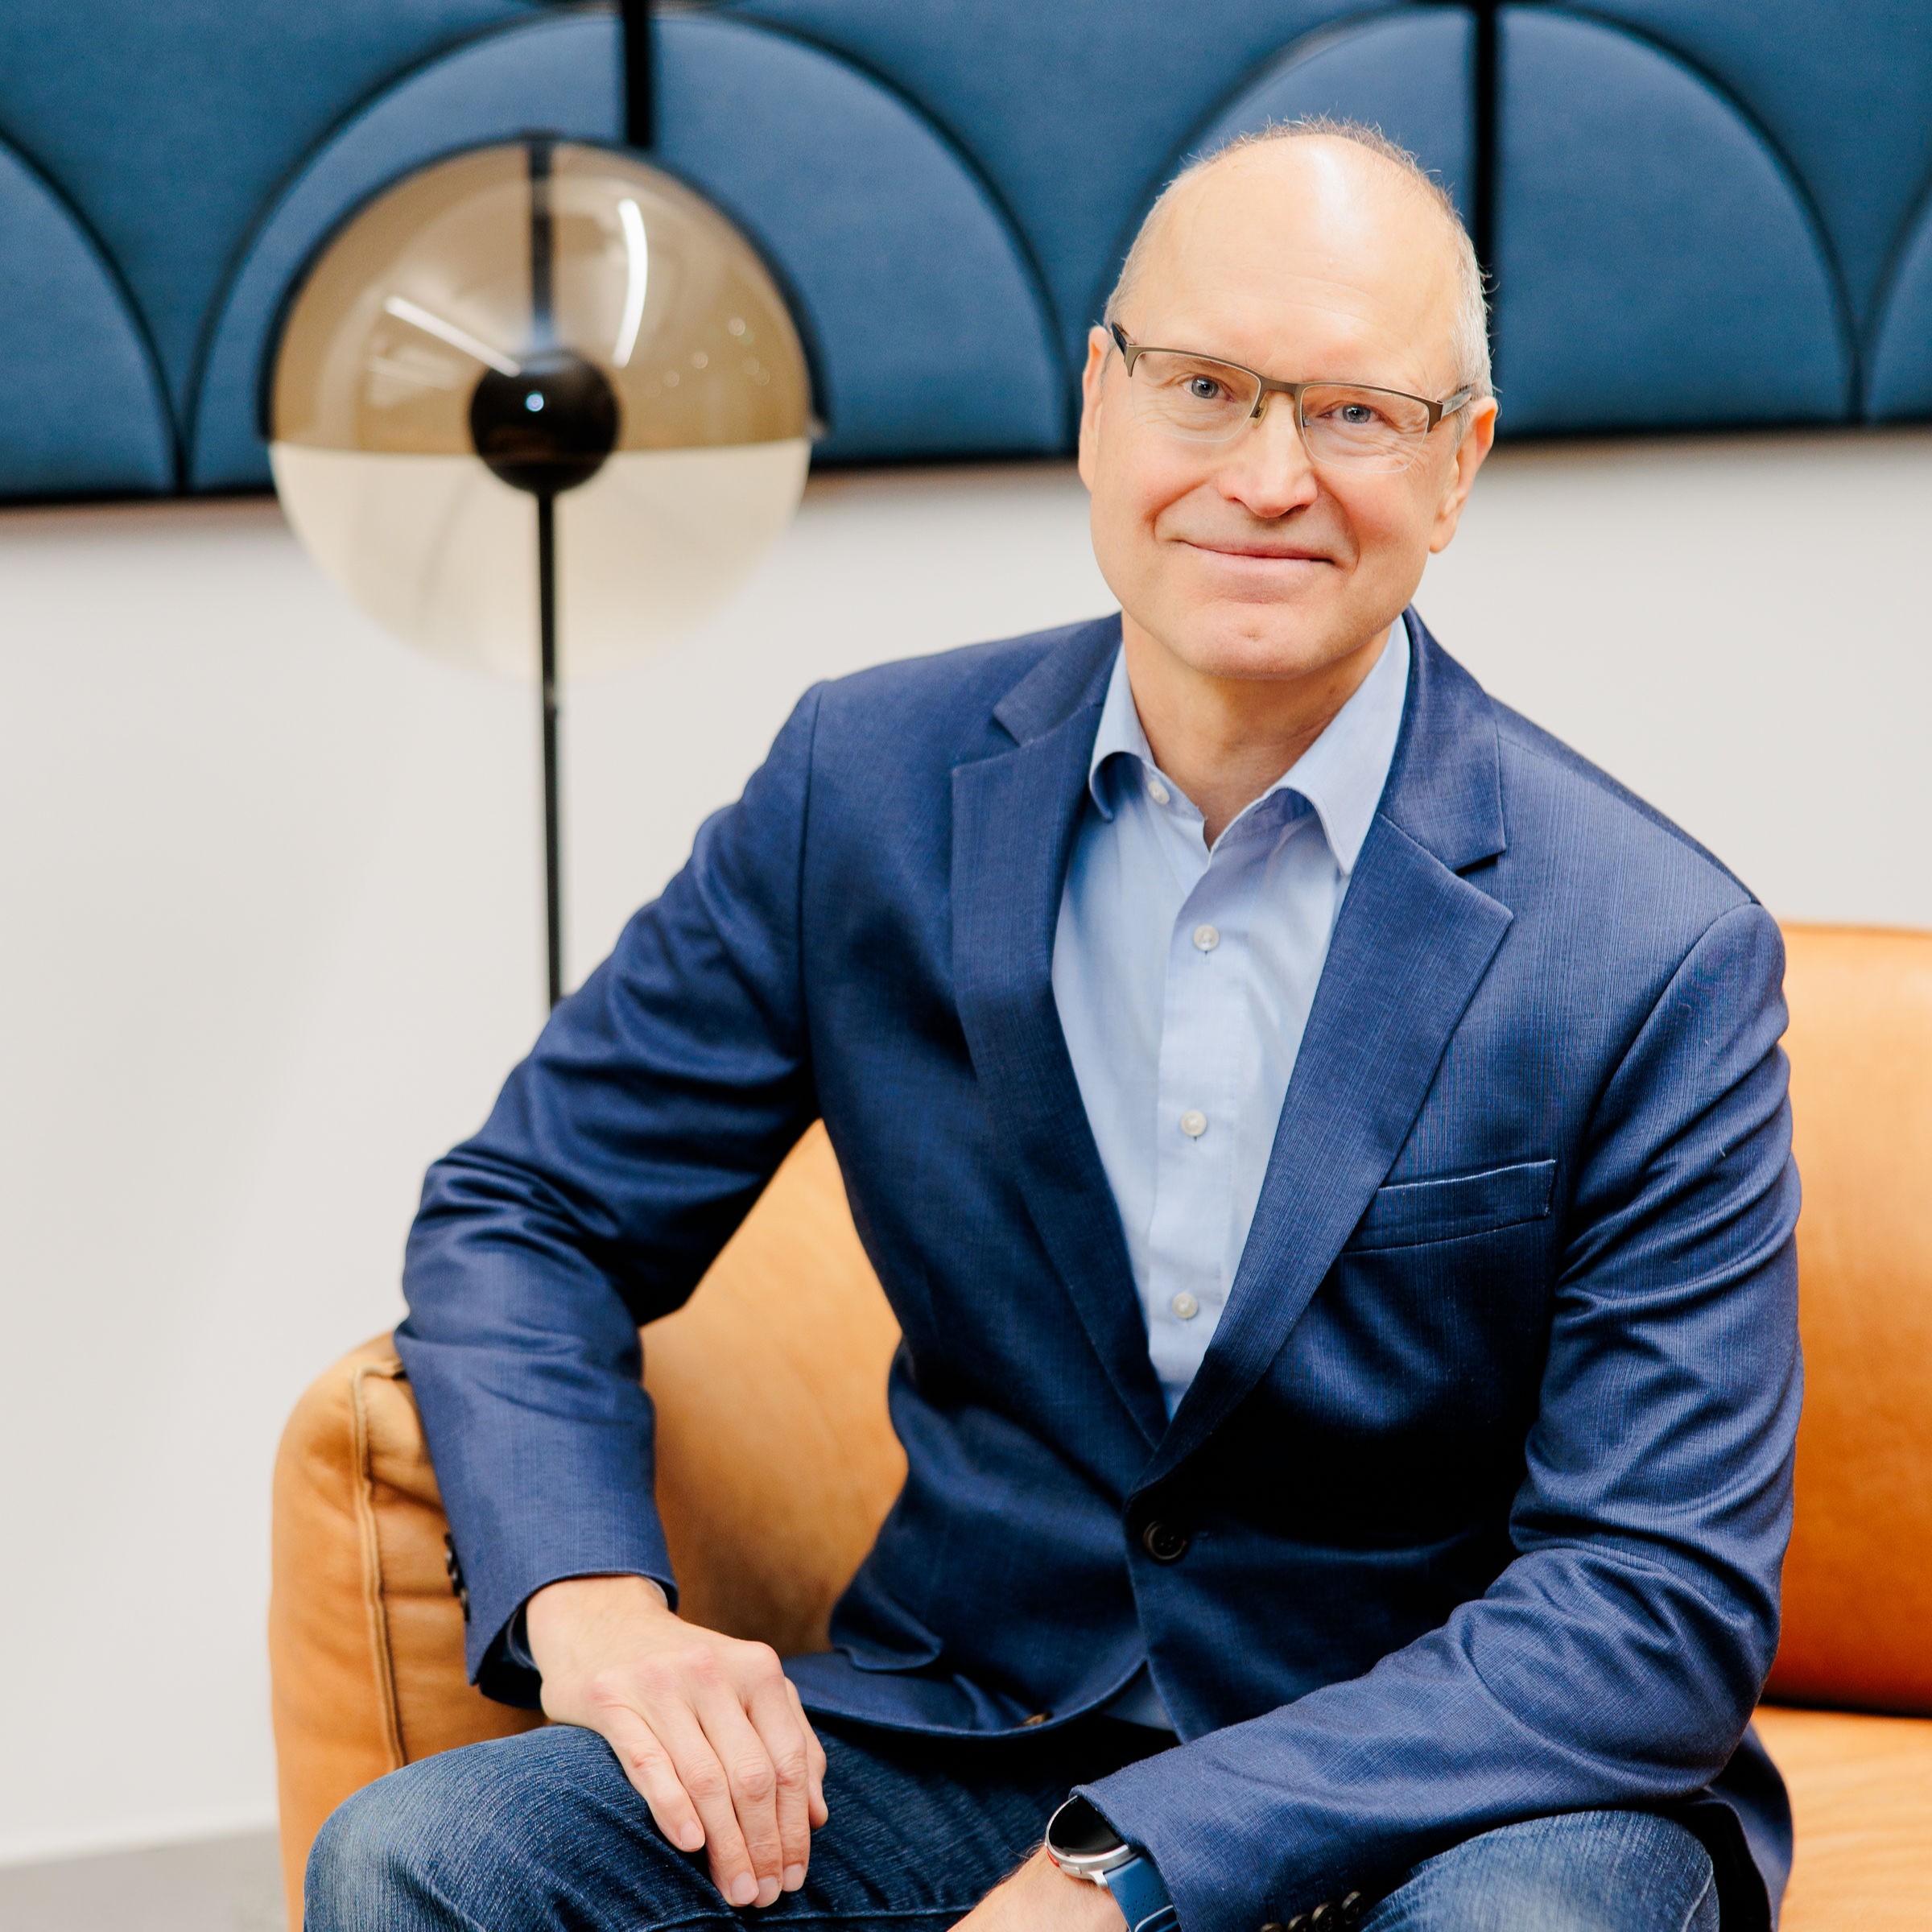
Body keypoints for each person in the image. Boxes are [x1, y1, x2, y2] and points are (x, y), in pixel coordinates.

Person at [308, 121, 1801, 1932]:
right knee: (428, 1863)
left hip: (1453, 1796)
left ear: (1458, 464)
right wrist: (595, 1603)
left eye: (1356, 413)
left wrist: (1134, 1871)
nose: (1268, 477)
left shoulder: (1650, 948)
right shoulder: (862, 790)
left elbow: (1653, 1603)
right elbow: (528, 1212)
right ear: (1100, 402)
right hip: (975, 1730)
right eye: (1205, 388)